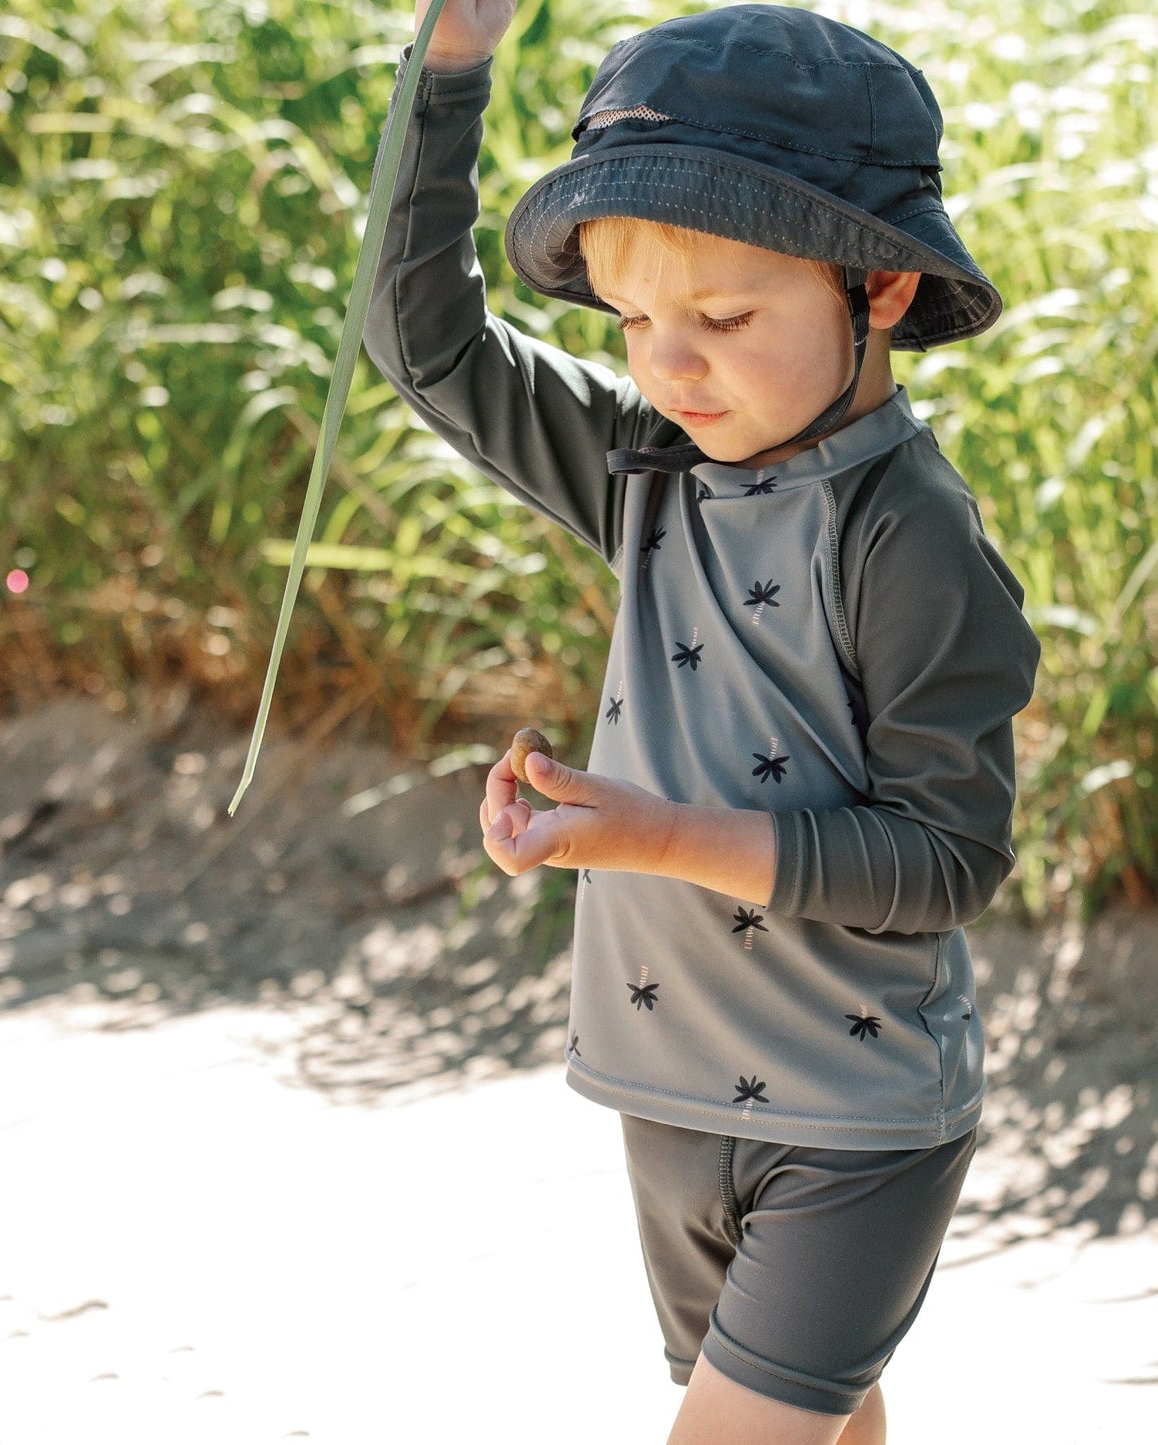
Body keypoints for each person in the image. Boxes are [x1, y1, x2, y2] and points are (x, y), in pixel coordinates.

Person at [365, 5, 1041, 1441]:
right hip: (667, 1088)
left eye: (724, 319)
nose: (667, 368)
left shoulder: (909, 533)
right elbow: (421, 346)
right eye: (631, 320)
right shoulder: (646, 473)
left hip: (852, 1117)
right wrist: (448, 78)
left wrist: (658, 833)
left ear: (880, 288)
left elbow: (942, 862)